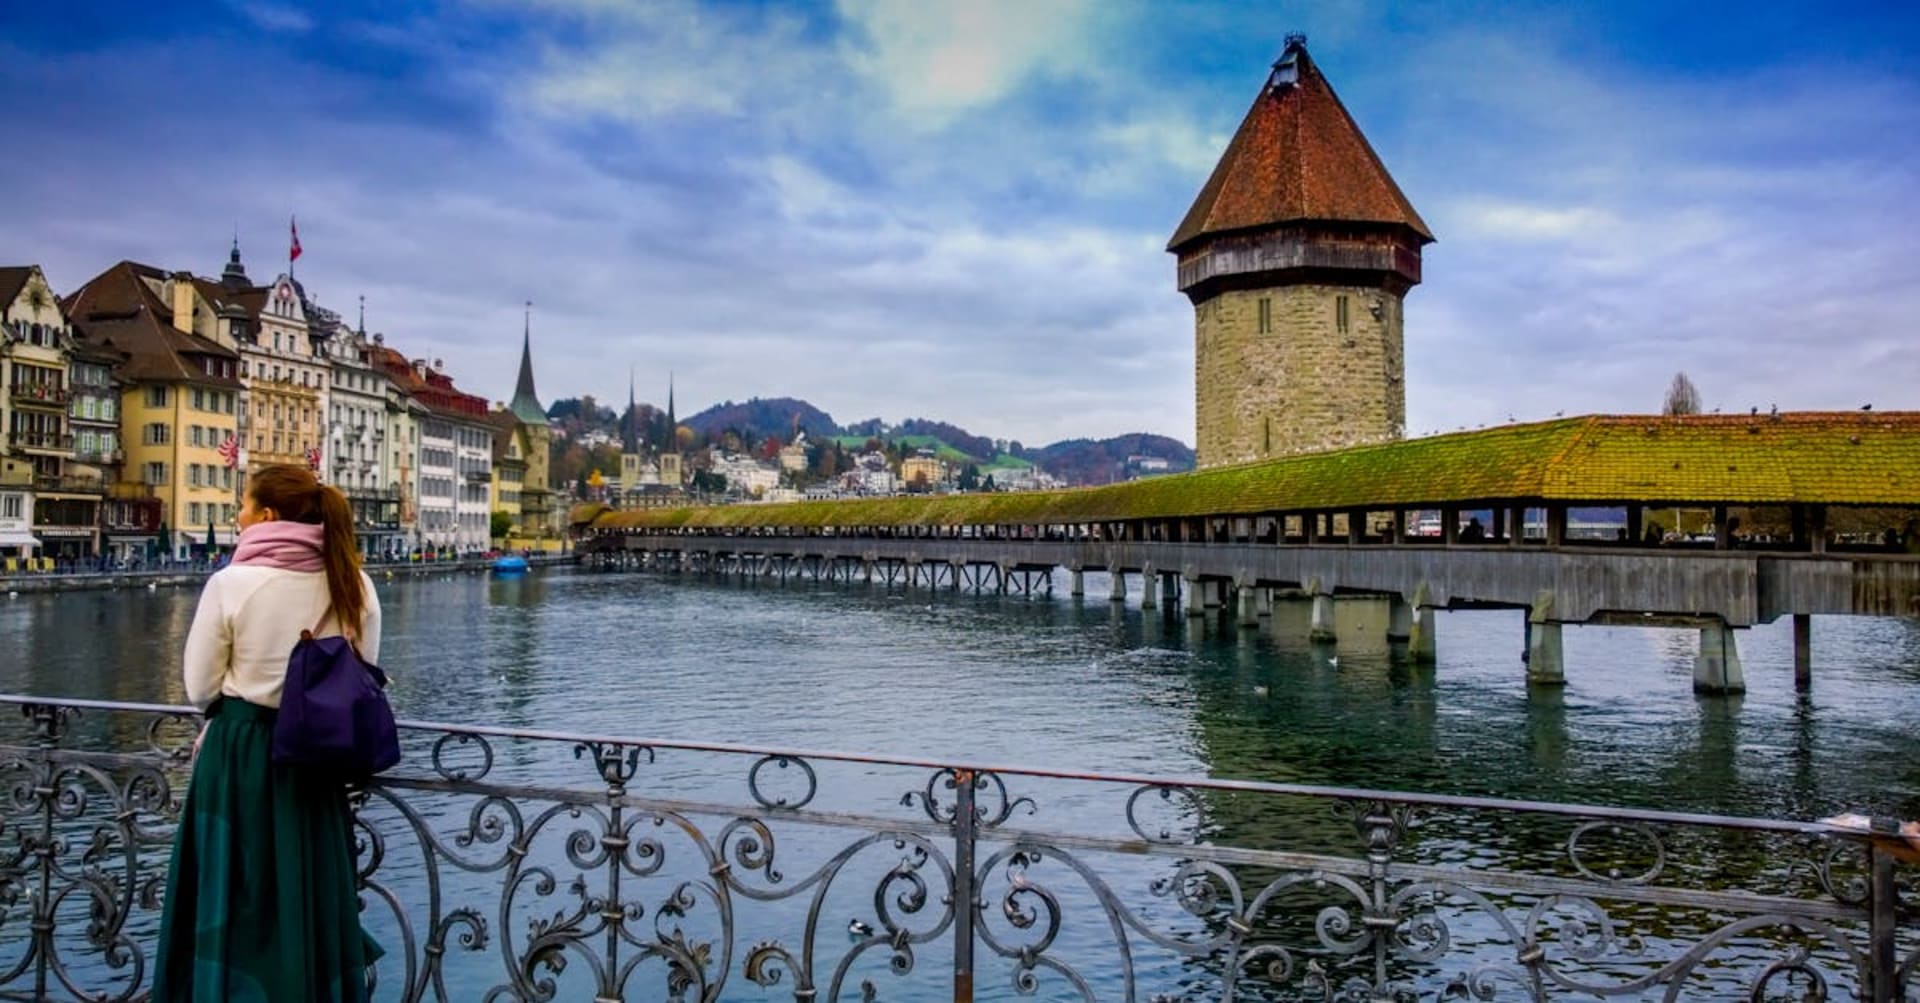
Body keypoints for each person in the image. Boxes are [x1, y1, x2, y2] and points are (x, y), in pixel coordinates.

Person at [153, 464, 384, 1002]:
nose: (237, 517)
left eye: (243, 507)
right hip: (317, 757)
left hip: (241, 755)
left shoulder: (232, 583)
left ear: (268, 517)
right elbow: (365, 671)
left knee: (228, 895)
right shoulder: (355, 582)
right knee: (305, 892)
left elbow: (199, 686)